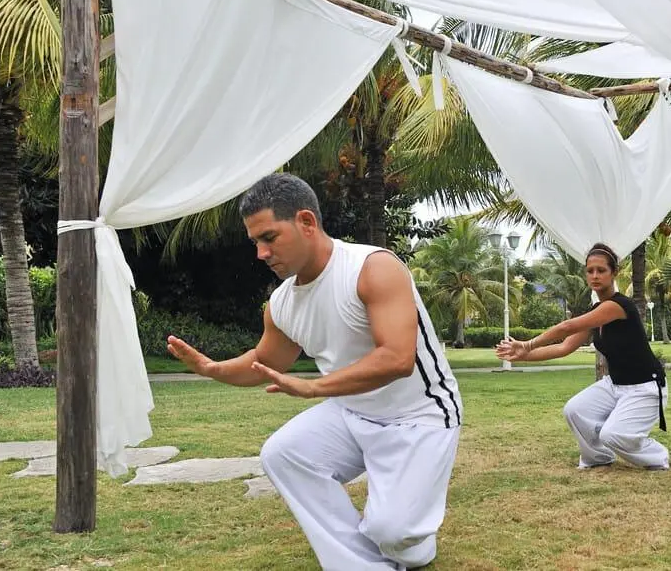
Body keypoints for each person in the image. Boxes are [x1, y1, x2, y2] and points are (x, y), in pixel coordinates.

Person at [166, 173, 462, 569]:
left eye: (269, 238)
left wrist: (316, 388)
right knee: (284, 454)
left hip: (419, 416)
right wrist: (211, 368)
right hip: (352, 412)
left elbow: (396, 358)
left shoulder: (373, 268)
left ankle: (409, 546)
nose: (261, 253)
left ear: (306, 222)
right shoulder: (282, 303)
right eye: (255, 242)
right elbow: (265, 361)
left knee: (394, 534)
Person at [496, 243, 669, 471]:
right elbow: (564, 347)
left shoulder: (618, 306)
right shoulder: (594, 309)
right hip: (615, 385)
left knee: (612, 434)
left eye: (601, 270)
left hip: (645, 388)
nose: (595, 276)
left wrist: (528, 344)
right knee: (575, 410)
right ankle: (598, 457)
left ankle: (657, 457)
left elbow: (567, 326)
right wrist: (522, 356)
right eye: (590, 271)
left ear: (614, 272)